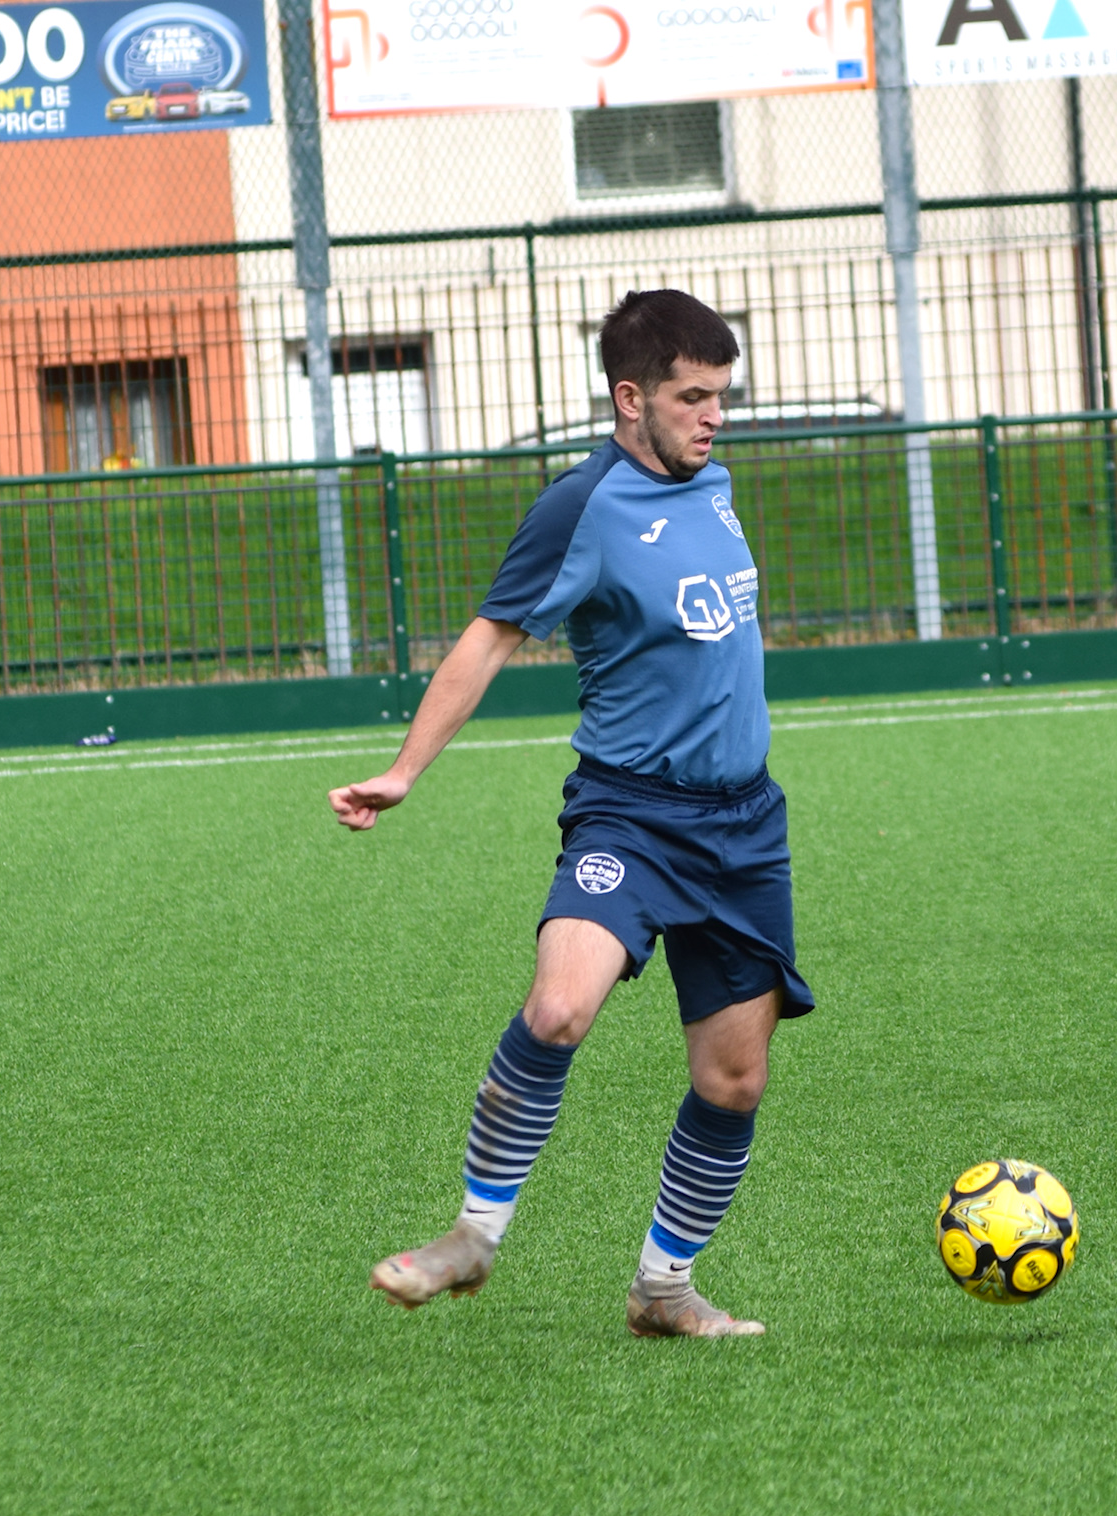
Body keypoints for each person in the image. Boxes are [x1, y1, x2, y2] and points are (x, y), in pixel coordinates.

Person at [328, 289, 811, 1336]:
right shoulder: (580, 505)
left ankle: (663, 1288)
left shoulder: (713, 482)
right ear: (629, 397)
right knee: (558, 1008)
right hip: (630, 815)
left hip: (744, 830)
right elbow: (490, 637)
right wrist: (407, 769)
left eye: (721, 396)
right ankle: (472, 1235)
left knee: (733, 1080)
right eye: (691, 397)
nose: (712, 415)